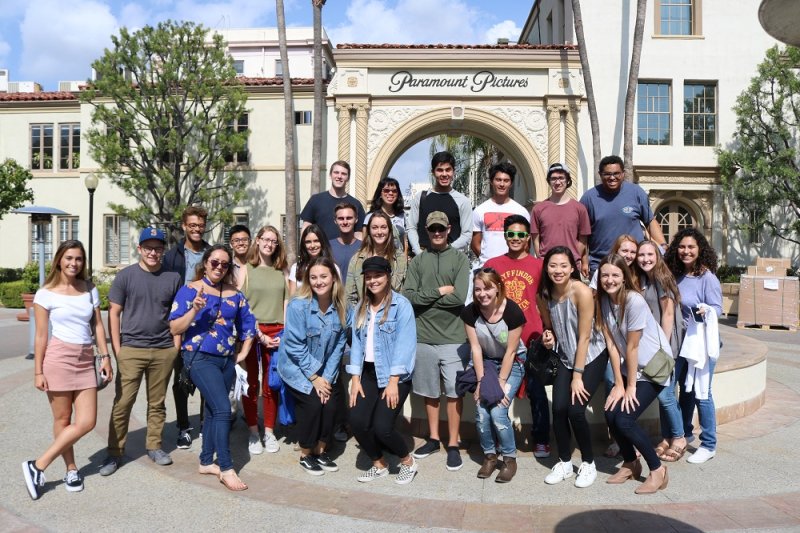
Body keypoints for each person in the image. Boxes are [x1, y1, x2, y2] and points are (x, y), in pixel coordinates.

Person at [23, 240, 112, 500]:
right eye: (69, 258)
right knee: (62, 420)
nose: (74, 263)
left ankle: (37, 465)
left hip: (86, 359)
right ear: (59, 260)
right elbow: (41, 336)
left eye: (79, 259)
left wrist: (105, 356)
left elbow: (97, 326)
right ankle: (70, 469)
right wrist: (38, 371)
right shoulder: (46, 293)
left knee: (87, 421)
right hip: (59, 358)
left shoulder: (89, 289)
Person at [169, 244, 256, 491]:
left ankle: (206, 461)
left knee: (210, 412)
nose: (219, 267)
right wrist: (195, 310)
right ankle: (227, 468)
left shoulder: (235, 294)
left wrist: (244, 353)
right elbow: (175, 327)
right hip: (199, 358)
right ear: (205, 262)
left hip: (226, 360)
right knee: (221, 409)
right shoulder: (190, 290)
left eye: (225, 264)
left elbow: (249, 324)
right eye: (214, 262)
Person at [99, 228, 182, 477]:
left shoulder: (173, 278)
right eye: (149, 248)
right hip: (132, 349)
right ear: (139, 249)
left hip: (163, 349)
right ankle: (115, 452)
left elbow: (177, 314)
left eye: (158, 248)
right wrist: (117, 348)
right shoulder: (126, 276)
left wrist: (175, 346)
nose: (153, 253)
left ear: (163, 250)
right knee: (123, 402)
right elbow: (113, 313)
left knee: (157, 403)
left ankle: (154, 446)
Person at [597, 254, 672, 495]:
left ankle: (657, 470)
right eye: (605, 275)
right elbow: (611, 344)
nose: (609, 280)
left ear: (624, 277)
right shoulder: (604, 300)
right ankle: (631, 463)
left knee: (624, 419)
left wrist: (630, 388)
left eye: (615, 275)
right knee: (610, 413)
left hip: (652, 369)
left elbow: (632, 346)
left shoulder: (634, 301)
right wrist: (619, 384)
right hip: (631, 369)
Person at [403, 211, 471, 471]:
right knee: (430, 392)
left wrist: (426, 298)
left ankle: (452, 444)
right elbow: (408, 296)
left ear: (449, 229)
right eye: (433, 229)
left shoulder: (460, 259)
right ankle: (433, 438)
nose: (437, 233)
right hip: (424, 338)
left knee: (454, 393)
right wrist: (440, 291)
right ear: (427, 231)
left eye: (441, 229)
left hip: (453, 338)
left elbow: (460, 297)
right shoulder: (419, 262)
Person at [537, 247, 608, 488]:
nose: (558, 270)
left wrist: (577, 376)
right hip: (566, 355)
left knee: (575, 410)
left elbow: (585, 337)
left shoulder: (582, 291)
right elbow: (551, 329)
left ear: (572, 267)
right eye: (553, 265)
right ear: (546, 267)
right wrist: (548, 338)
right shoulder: (544, 294)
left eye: (564, 265)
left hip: (591, 355)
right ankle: (565, 462)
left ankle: (589, 463)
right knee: (558, 409)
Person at [347, 257, 418, 484]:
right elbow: (357, 344)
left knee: (382, 427)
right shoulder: (360, 307)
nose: (373, 280)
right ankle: (379, 464)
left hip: (394, 374)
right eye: (368, 277)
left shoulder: (401, 305)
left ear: (388, 277)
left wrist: (393, 381)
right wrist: (355, 378)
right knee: (357, 421)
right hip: (367, 372)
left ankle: (408, 462)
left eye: (378, 275)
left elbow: (405, 345)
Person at [278, 256, 351, 476]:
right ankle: (305, 453)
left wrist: (326, 378)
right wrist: (315, 378)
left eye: (323, 276)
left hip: (324, 369)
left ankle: (320, 450)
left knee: (330, 403)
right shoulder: (298, 306)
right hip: (296, 368)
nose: (318, 281)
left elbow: (339, 346)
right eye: (313, 277)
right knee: (313, 404)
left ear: (333, 279)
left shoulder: (341, 308)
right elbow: (294, 346)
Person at [484, 215, 549, 458]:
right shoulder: (493, 264)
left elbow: (545, 301)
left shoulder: (539, 265)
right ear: (505, 236)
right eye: (511, 234)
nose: (516, 239)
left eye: (521, 235)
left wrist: (548, 329)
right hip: (501, 338)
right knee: (500, 392)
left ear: (527, 238)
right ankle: (501, 440)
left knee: (537, 390)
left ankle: (541, 439)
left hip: (533, 336)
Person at [461, 268, 527, 483]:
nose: (483, 294)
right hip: (487, 363)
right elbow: (476, 349)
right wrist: (481, 382)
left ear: (498, 287)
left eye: (488, 288)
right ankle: (489, 456)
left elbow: (510, 351)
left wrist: (499, 384)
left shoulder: (513, 312)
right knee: (481, 411)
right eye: (478, 289)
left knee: (498, 411)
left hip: (513, 363)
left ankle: (509, 458)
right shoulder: (470, 312)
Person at [664, 227, 723, 465]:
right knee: (678, 390)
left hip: (701, 345)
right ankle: (684, 433)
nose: (686, 251)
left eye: (691, 247)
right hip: (679, 344)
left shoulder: (706, 277)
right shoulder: (674, 274)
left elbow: (718, 308)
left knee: (702, 394)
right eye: (682, 246)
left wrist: (705, 310)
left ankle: (709, 444)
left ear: (700, 250)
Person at [163, 206, 211, 450]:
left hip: (207, 323)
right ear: (184, 226)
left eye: (200, 225)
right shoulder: (173, 256)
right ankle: (183, 426)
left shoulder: (211, 253)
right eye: (192, 225)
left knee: (207, 378)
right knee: (180, 378)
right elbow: (166, 293)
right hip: (181, 323)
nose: (196, 229)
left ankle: (205, 422)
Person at [634, 239, 686, 463]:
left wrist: (663, 349)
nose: (645, 259)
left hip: (664, 347)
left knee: (665, 395)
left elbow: (668, 315)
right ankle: (667, 437)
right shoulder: (644, 279)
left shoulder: (663, 279)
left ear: (658, 256)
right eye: (641, 255)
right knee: (663, 393)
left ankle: (680, 438)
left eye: (650, 255)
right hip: (651, 345)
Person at [241, 226, 289, 455]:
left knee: (272, 385)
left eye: (274, 241)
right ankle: (253, 432)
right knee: (252, 383)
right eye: (266, 239)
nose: (270, 244)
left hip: (278, 332)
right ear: (257, 241)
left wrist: (285, 334)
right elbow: (242, 306)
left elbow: (286, 302)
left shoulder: (282, 270)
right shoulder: (245, 270)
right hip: (253, 332)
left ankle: (269, 431)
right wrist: (259, 333)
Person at [580, 155, 666, 275]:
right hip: (601, 263)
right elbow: (583, 234)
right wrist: (584, 261)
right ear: (600, 174)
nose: (612, 177)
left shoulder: (636, 192)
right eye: (607, 174)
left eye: (616, 173)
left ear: (623, 174)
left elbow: (650, 221)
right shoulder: (589, 198)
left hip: (633, 263)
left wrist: (663, 246)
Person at [531, 162, 591, 277]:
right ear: (549, 181)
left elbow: (583, 239)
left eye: (561, 178)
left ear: (568, 180)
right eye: (553, 179)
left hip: (571, 267)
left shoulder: (580, 209)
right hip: (547, 266)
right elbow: (536, 238)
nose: (557, 182)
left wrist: (572, 259)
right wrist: (542, 258)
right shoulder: (538, 209)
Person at [406, 151, 473, 256]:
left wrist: (447, 251)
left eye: (448, 170)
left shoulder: (463, 201)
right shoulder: (420, 198)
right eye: (440, 170)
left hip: (451, 259)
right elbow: (411, 227)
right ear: (433, 172)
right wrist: (419, 253)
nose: (444, 174)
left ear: (454, 171)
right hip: (424, 257)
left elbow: (467, 234)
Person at [470, 162, 530, 267]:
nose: (502, 184)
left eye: (506, 181)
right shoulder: (479, 210)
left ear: (511, 183)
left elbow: (526, 244)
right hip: (488, 270)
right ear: (491, 182)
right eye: (498, 180)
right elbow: (475, 243)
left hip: (513, 267)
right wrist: (488, 261)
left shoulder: (521, 211)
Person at [345, 211, 407, 307]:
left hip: (393, 315)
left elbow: (404, 292)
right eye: (375, 228)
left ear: (389, 230)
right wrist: (359, 317)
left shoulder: (400, 259)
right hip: (365, 316)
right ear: (369, 231)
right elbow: (350, 297)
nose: (379, 232)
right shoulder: (357, 260)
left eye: (383, 227)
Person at [300, 161, 366, 241]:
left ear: (348, 178)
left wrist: (358, 252)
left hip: (345, 252)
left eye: (343, 174)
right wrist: (304, 250)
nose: (339, 176)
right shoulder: (316, 200)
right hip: (320, 251)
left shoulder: (356, 204)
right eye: (336, 172)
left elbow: (359, 233)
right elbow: (306, 227)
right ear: (330, 175)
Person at [288, 224, 338, 295]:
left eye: (316, 241)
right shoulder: (296, 268)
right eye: (308, 242)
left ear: (322, 242)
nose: (312, 246)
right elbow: (292, 298)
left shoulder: (334, 267)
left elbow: (337, 295)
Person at [365, 176, 407, 253]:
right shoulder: (369, 217)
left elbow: (405, 241)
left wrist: (405, 259)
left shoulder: (402, 216)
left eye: (394, 191)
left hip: (398, 261)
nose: (390, 193)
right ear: (380, 193)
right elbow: (365, 242)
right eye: (386, 190)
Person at [329, 202, 362, 283]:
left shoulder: (364, 247)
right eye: (341, 218)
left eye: (349, 218)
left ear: (356, 219)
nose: (345, 222)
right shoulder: (327, 246)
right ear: (335, 221)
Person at [228, 224, 251, 289]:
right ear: (230, 244)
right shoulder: (226, 267)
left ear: (250, 242)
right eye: (236, 240)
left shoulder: (256, 266)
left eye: (244, 239)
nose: (241, 243)